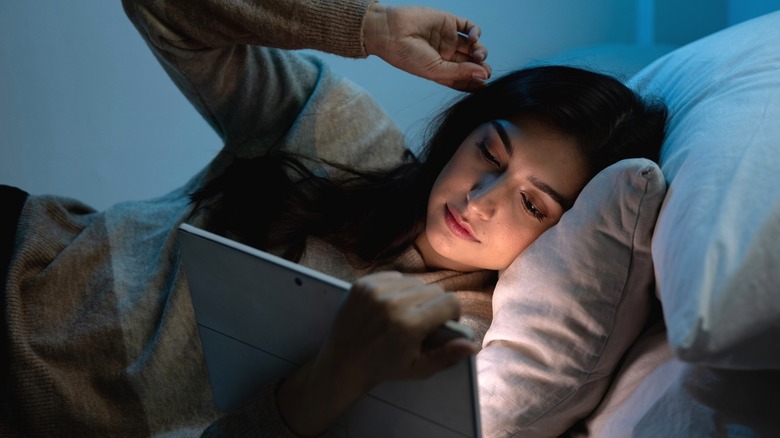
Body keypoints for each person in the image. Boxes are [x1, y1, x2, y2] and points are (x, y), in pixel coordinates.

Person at [0, 0, 667, 436]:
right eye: (489, 151)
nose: (482, 197)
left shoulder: (454, 347)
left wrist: (331, 376)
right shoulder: (346, 136)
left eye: (532, 204)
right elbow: (166, 12)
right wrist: (365, 27)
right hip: (23, 246)